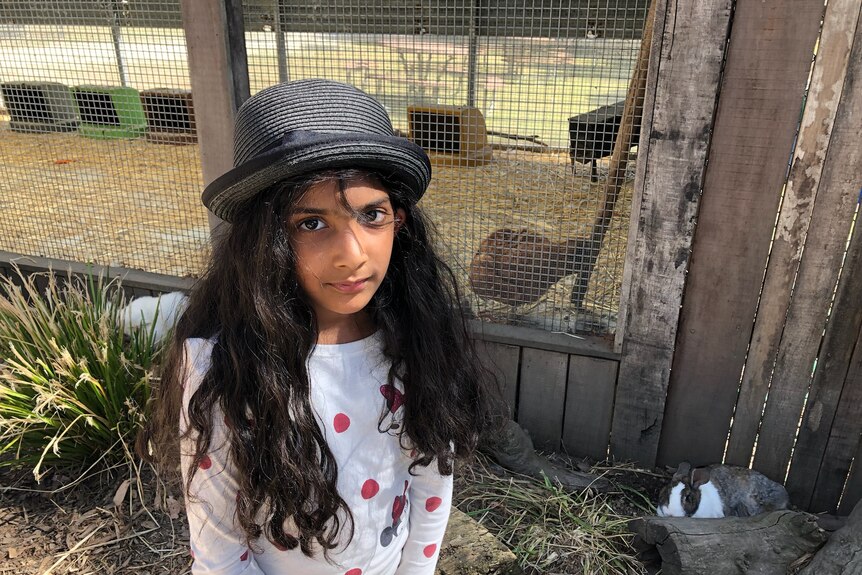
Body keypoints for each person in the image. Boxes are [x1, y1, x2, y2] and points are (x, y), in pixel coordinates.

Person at [142, 79, 499, 575]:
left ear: (400, 221)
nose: (352, 255)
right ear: (263, 239)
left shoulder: (417, 341)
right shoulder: (222, 365)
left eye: (371, 214)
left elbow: (431, 483)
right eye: (311, 223)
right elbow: (219, 550)